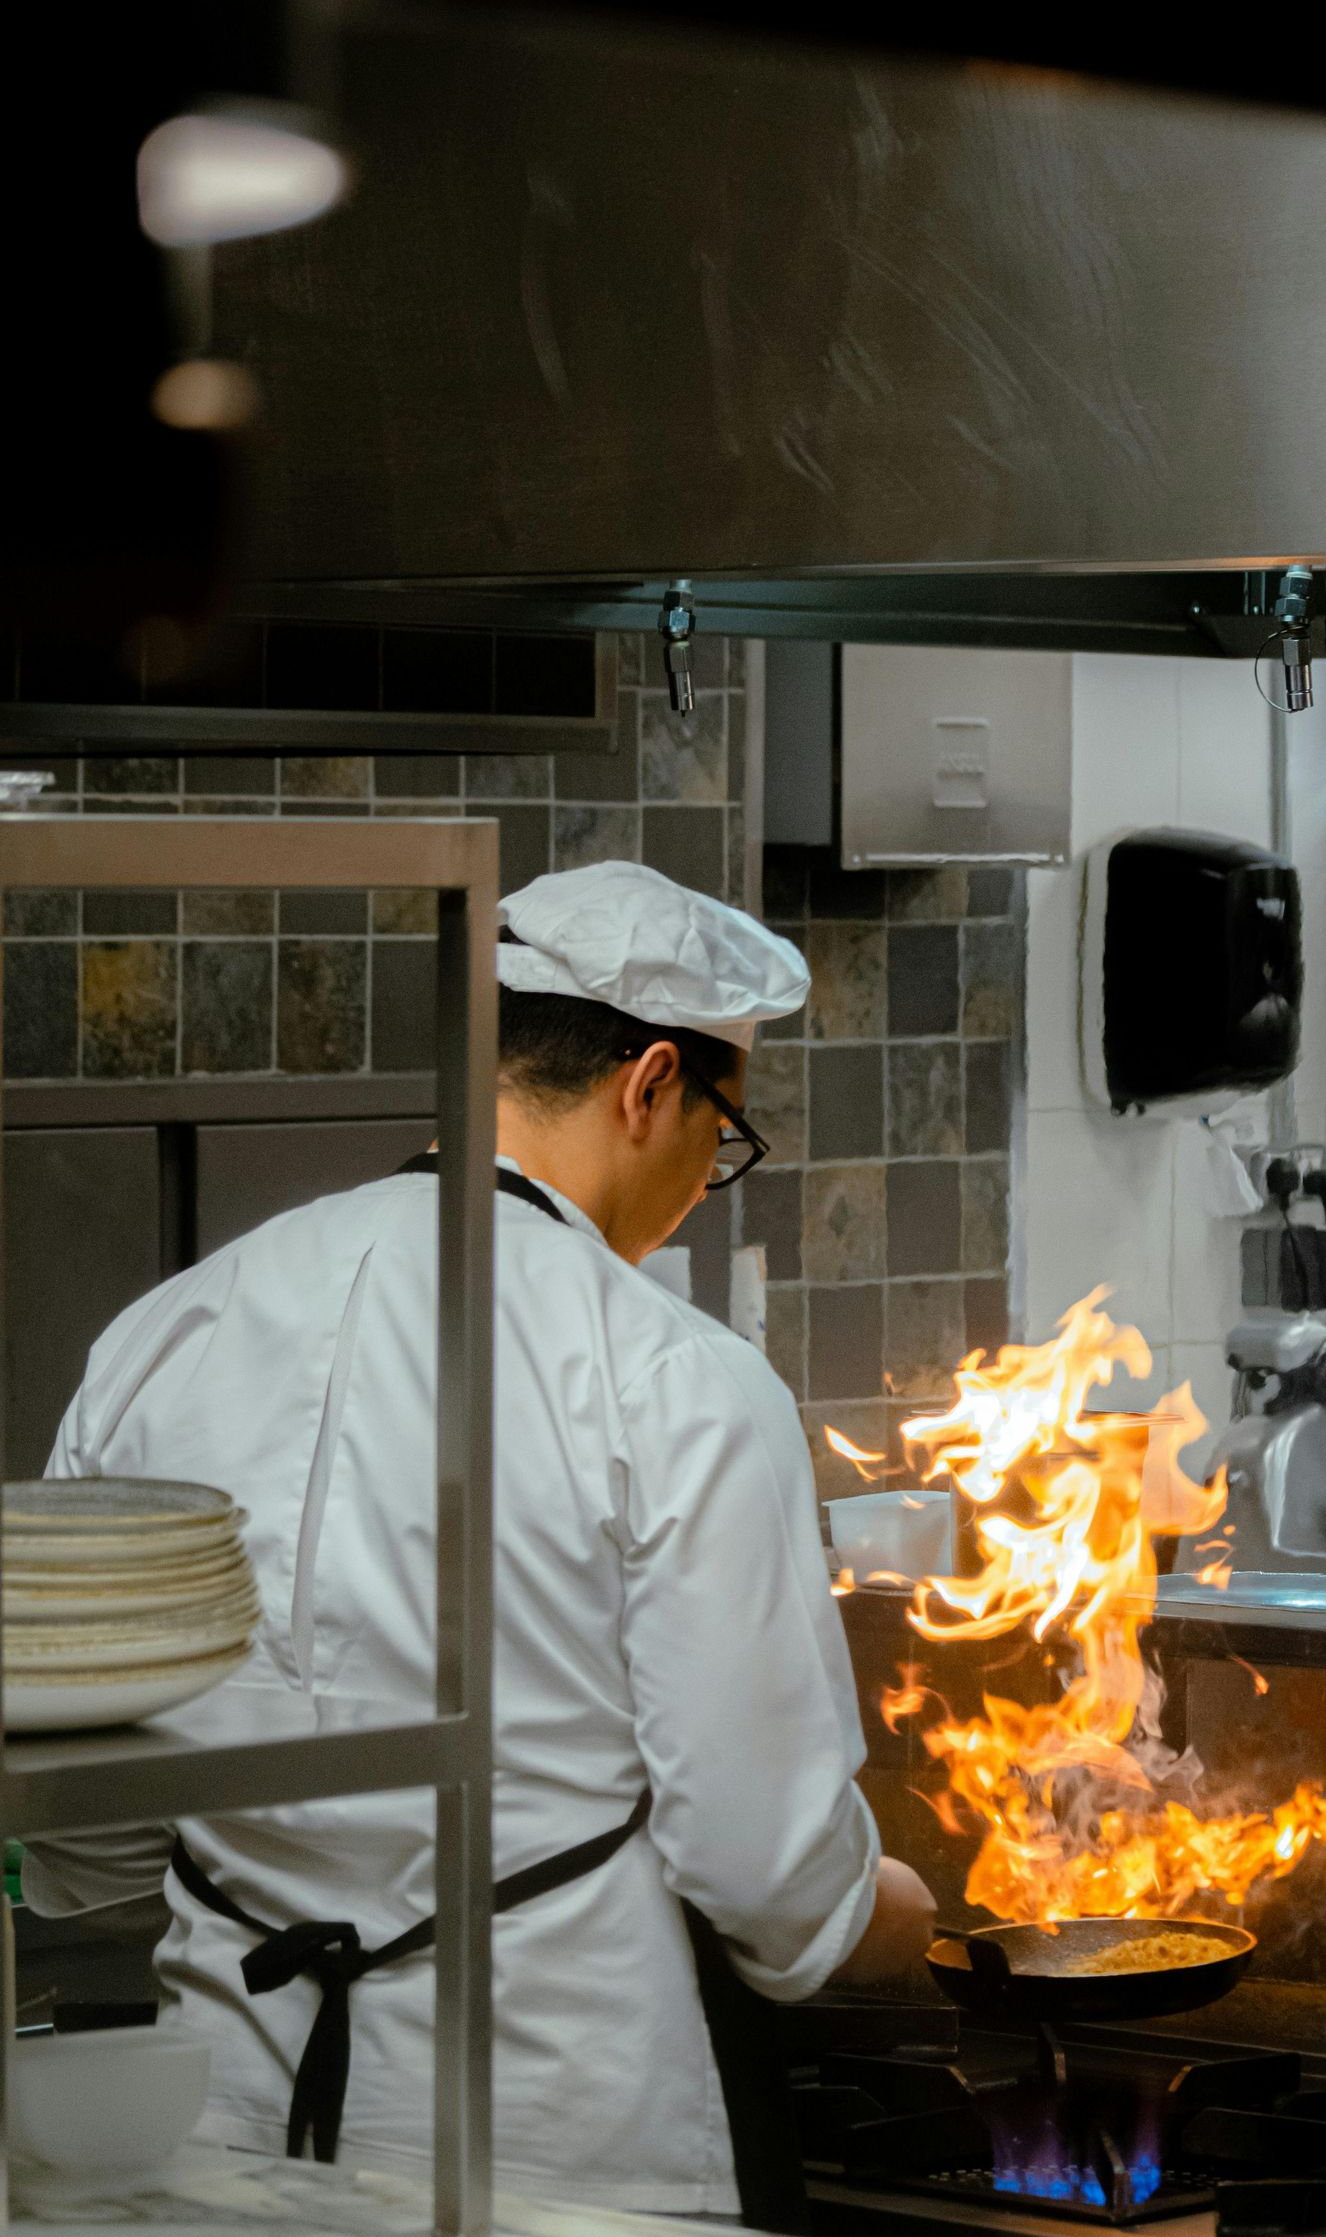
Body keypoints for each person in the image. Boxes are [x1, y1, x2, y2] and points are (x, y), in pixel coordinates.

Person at [21, 860, 935, 2221]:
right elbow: (761, 1867)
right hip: (561, 2143)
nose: (704, 1181)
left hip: (221, 2112)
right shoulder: (673, 1376)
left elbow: (81, 1825)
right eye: (720, 1135)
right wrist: (885, 1916)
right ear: (651, 1086)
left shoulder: (177, 1324)